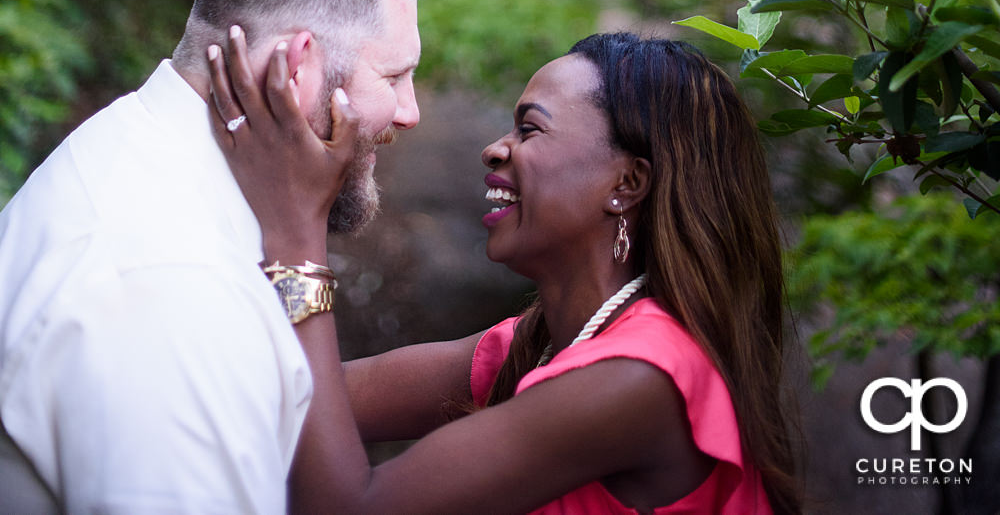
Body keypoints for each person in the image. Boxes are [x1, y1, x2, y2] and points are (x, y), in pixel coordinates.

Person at [208, 28, 801, 515]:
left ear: (627, 184)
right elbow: (285, 398)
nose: (495, 148)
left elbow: (348, 505)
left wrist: (295, 231)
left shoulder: (640, 380)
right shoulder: (533, 347)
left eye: (530, 128)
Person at [0, 0, 436, 515]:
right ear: (295, 68)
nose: (410, 112)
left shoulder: (134, 152)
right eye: (393, 76)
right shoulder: (172, 289)